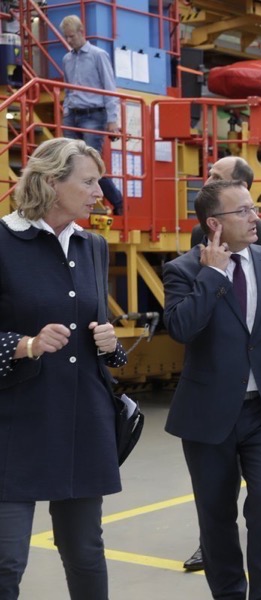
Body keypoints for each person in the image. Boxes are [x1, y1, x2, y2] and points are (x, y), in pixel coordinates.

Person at [163, 179, 261, 600]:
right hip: (208, 414)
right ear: (214, 224)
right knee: (215, 516)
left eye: (254, 209)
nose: (255, 218)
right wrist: (213, 273)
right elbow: (181, 328)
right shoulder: (183, 271)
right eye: (244, 212)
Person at [0, 137, 128, 598]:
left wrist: (111, 342)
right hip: (16, 424)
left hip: (80, 417)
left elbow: (98, 330)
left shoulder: (92, 245)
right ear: (52, 182)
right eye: (89, 182)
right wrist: (26, 344)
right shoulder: (3, 240)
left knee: (86, 551)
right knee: (6, 560)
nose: (100, 193)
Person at [182, 154, 261, 573]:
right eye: (245, 210)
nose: (206, 180)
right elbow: (188, 322)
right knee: (216, 505)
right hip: (213, 402)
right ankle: (214, 553)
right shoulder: (196, 247)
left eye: (215, 177)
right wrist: (211, 275)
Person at [60, 15, 124, 216]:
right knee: (67, 160)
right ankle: (75, 203)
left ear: (81, 32)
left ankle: (117, 200)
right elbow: (68, 88)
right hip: (73, 114)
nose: (69, 41)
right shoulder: (67, 59)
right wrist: (66, 110)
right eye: (66, 37)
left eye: (71, 36)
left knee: (90, 161)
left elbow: (109, 88)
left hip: (94, 115)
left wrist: (113, 120)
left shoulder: (98, 55)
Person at [189, 156, 261, 251]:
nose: (207, 183)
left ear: (242, 186)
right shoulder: (199, 233)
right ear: (212, 223)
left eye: (217, 178)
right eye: (210, 175)